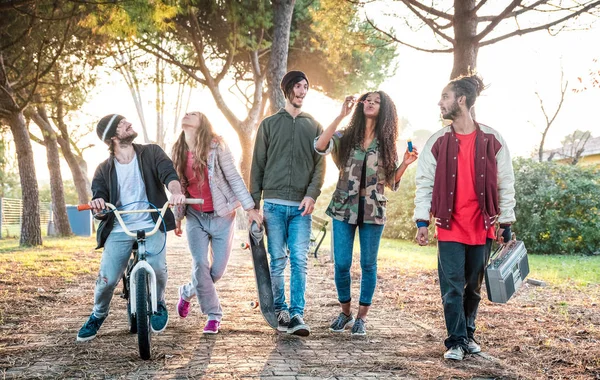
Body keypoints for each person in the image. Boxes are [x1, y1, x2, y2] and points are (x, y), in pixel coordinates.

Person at [413, 74, 516, 360]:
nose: (439, 103)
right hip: (449, 225)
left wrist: (506, 222)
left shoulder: (492, 139)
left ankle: (468, 333)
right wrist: (422, 220)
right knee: (452, 287)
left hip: (482, 225)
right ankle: (456, 341)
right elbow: (424, 183)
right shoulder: (438, 141)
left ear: (461, 100)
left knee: (474, 287)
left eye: (444, 97)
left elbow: (506, 181)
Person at [314, 91, 418, 336]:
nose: (371, 102)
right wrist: (341, 115)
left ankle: (361, 317)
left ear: (384, 110)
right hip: (343, 209)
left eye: (377, 101)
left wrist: (404, 163)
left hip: (373, 210)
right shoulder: (345, 137)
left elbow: (391, 182)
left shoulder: (386, 143)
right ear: (361, 105)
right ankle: (345, 312)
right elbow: (320, 145)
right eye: (368, 99)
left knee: (368, 265)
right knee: (341, 264)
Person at [77, 114, 186, 342]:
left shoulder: (152, 152)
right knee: (106, 280)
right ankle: (98, 314)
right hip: (120, 228)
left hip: (152, 223)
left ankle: (158, 303)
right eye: (122, 123)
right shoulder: (103, 169)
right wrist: (97, 206)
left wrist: (176, 192)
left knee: (157, 268)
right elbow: (100, 200)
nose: (129, 124)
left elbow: (169, 174)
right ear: (113, 136)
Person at [249, 70, 325, 336]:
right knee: (278, 259)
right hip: (272, 205)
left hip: (301, 208)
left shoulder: (314, 125)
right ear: (287, 90)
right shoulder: (269, 125)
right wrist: (253, 207)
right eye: (298, 86)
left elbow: (319, 165)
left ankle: (297, 314)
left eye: (306, 86)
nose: (302, 91)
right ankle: (280, 310)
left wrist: (312, 194)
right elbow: (257, 165)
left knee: (300, 261)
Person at [172, 111, 261, 334]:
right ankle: (214, 314)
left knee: (216, 272)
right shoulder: (178, 150)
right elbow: (177, 187)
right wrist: (177, 217)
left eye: (194, 114)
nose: (187, 114)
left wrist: (250, 208)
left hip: (222, 215)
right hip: (195, 216)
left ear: (203, 122)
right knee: (200, 264)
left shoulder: (216, 145)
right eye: (186, 113)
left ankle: (187, 292)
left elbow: (233, 177)